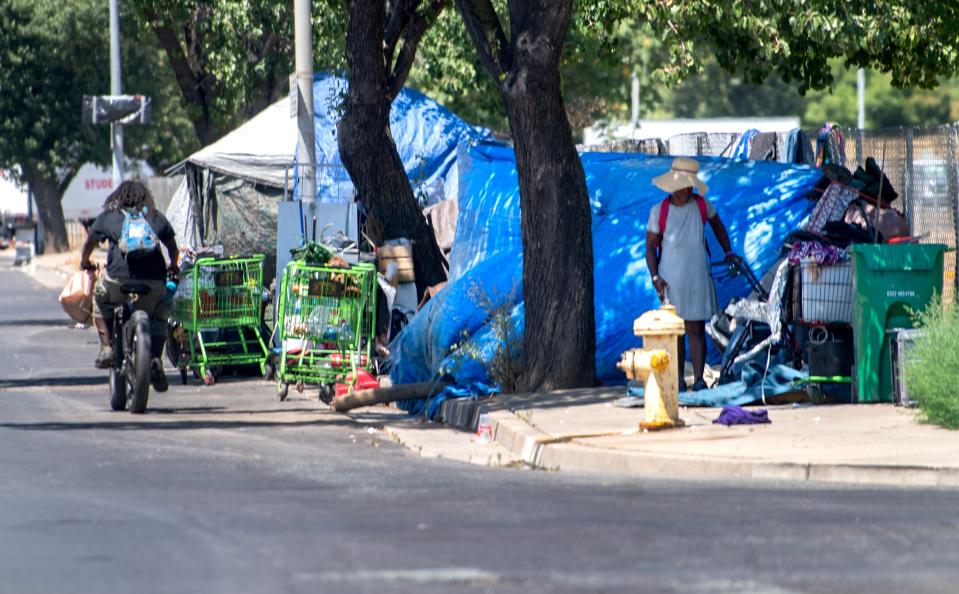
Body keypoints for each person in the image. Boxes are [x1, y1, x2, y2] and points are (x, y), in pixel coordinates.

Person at [645, 157, 740, 392]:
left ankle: (698, 379)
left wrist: (728, 250)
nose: (686, 190)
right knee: (676, 331)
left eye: (690, 186)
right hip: (671, 280)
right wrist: (656, 277)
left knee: (695, 329)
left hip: (696, 275)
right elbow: (650, 248)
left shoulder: (701, 205)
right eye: (683, 186)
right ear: (672, 186)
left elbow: (718, 226)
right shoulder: (659, 211)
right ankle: (677, 379)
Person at [79, 180, 178, 392]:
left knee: (100, 299)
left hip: (117, 281)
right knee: (160, 313)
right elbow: (172, 246)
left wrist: (84, 262)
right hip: (153, 282)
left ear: (119, 196)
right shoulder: (154, 215)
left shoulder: (110, 216)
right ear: (145, 196)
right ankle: (156, 360)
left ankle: (106, 347)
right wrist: (174, 266)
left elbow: (89, 243)